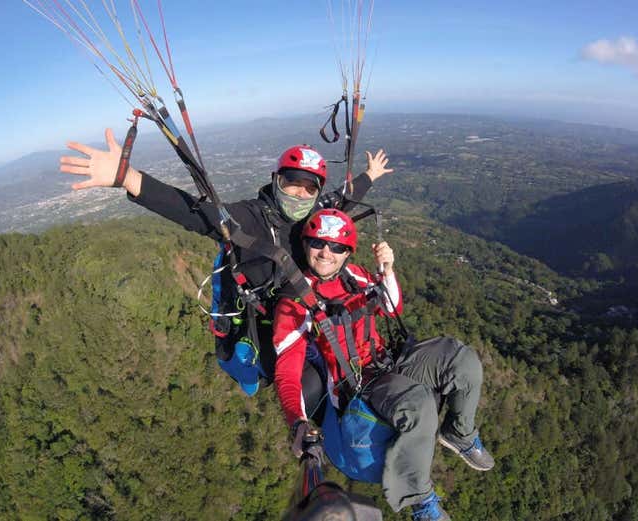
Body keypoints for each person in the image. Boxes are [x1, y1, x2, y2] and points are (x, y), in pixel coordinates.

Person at [59, 128, 393, 393]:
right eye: (292, 183)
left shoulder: (317, 217)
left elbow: (344, 200)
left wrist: (370, 175)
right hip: (266, 326)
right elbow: (195, 213)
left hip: (302, 317)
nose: (300, 194)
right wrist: (129, 178)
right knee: (290, 382)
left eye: (310, 188)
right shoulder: (247, 219)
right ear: (277, 180)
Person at [272, 208, 494, 521]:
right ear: (306, 244)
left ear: (348, 251)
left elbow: (392, 308)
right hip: (357, 383)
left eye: (336, 247)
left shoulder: (357, 276)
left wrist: (387, 272)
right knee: (416, 404)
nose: (326, 253)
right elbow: (287, 368)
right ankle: (420, 501)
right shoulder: (295, 301)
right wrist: (297, 420)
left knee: (461, 359)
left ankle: (460, 433)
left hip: (388, 360)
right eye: (318, 244)